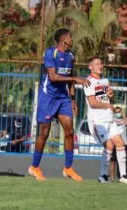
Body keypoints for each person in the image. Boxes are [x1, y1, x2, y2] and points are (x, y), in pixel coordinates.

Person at [28, 28, 90, 181]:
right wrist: (75, 79)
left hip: (63, 98)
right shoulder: (51, 53)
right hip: (48, 96)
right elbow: (53, 77)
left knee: (69, 131)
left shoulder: (71, 56)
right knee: (44, 133)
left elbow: (69, 78)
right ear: (63, 39)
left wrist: (73, 100)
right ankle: (34, 167)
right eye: (70, 37)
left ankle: (68, 168)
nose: (72, 39)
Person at [84, 57, 127, 184]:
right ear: (91, 67)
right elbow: (93, 103)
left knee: (120, 143)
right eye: (97, 64)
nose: (100, 65)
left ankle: (123, 176)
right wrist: (108, 106)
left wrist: (110, 97)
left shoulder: (105, 81)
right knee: (109, 144)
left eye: (101, 63)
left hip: (109, 119)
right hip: (98, 121)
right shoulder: (88, 82)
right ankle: (102, 176)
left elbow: (106, 99)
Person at [110, 107, 127, 182]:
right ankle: (112, 178)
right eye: (116, 112)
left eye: (119, 112)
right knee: (113, 161)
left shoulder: (126, 120)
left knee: (122, 160)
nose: (118, 113)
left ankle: (123, 176)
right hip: (114, 143)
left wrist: (124, 116)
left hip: (123, 143)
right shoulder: (113, 120)